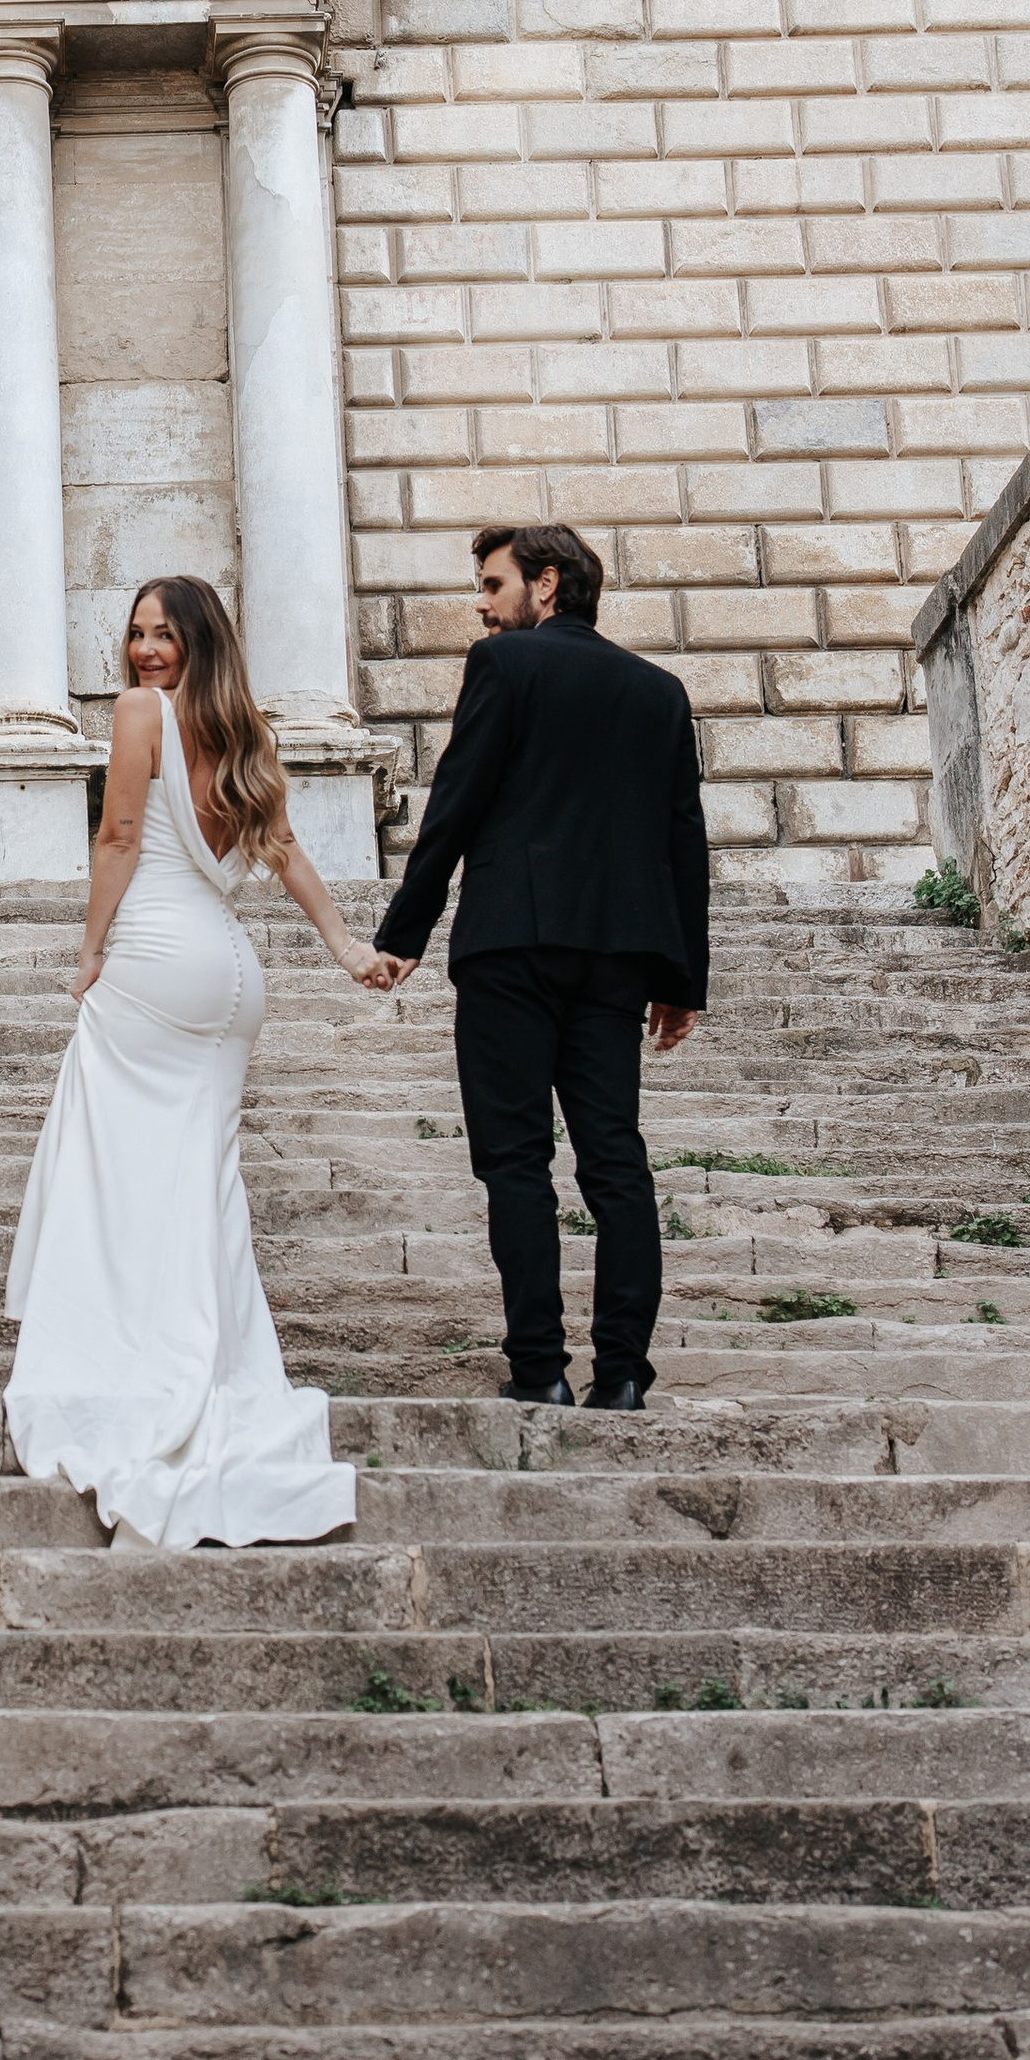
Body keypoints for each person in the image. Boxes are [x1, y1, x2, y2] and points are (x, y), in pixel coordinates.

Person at [3, 575, 395, 1552]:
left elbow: (119, 834)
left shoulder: (141, 715)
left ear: (195, 642)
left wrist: (90, 950)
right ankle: (213, 1363)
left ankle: (143, 1359)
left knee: (120, 1175)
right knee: (202, 1188)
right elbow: (284, 847)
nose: (142, 652)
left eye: (161, 635)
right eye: (134, 635)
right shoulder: (240, 728)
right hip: (229, 977)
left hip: (153, 961)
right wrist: (345, 946)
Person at [372, 520, 708, 1413]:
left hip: (512, 948)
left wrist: (405, 930)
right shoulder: (660, 691)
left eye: (492, 584)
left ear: (547, 583)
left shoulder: (505, 668)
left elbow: (456, 803)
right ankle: (625, 1372)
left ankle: (539, 1368)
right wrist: (683, 981)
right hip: (617, 959)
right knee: (614, 1160)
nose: (480, 604)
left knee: (516, 1160)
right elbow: (684, 843)